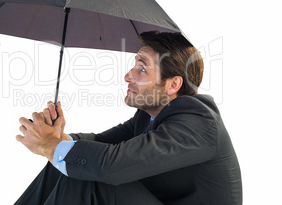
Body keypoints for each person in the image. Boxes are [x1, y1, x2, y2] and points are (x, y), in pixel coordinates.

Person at [14, 31, 242, 204]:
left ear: (173, 84)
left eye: (142, 69)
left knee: (86, 176)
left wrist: (52, 147)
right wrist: (57, 137)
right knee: (69, 163)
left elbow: (112, 166)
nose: (127, 76)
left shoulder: (197, 122)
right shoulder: (147, 117)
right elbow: (99, 143)